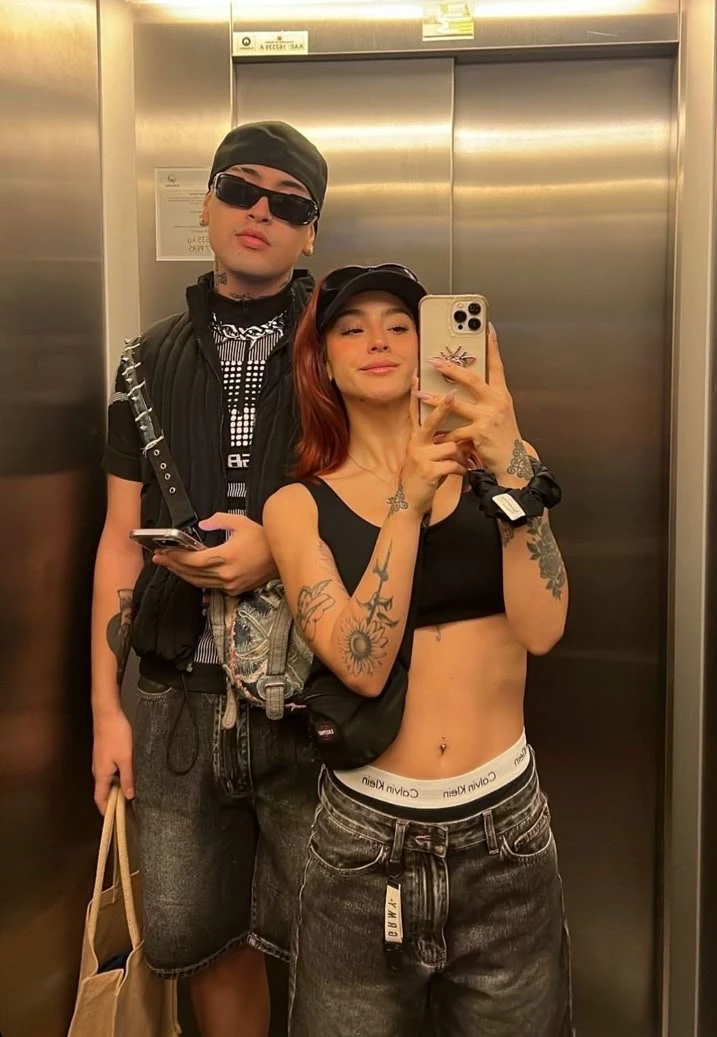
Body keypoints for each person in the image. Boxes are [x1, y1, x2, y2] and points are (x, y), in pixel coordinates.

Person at [263, 264, 573, 1036]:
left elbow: (544, 627)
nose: (378, 340)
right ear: (322, 361)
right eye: (352, 327)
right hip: (364, 846)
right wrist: (406, 500)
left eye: (400, 325)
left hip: (505, 833)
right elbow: (361, 663)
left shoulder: (503, 471)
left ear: (429, 347)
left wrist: (514, 467)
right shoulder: (296, 506)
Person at [91, 121, 328, 1037]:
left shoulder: (342, 351)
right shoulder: (143, 361)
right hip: (178, 704)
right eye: (239, 188)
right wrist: (106, 713)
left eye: (288, 203)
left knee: (332, 947)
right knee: (203, 942)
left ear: (311, 231)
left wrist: (280, 547)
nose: (259, 211)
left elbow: (388, 508)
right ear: (207, 202)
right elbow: (118, 540)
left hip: (314, 701)